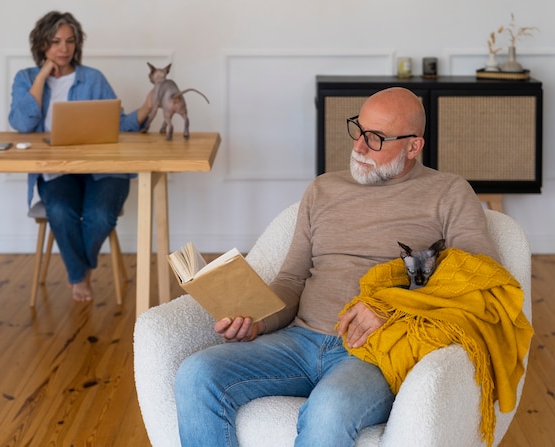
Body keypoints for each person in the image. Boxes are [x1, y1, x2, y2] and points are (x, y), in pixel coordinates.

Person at [173, 87, 500, 447]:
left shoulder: (449, 193)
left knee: (329, 408)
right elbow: (292, 279)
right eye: (358, 129)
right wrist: (258, 320)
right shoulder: (323, 190)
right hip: (297, 341)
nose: (358, 146)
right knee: (196, 373)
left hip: (374, 354)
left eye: (375, 138)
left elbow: (480, 276)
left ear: (412, 147)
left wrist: (391, 307)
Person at [8, 11, 152, 302]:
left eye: (70, 41)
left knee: (100, 215)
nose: (64, 48)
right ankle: (80, 274)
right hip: (57, 170)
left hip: (103, 169)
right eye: (56, 41)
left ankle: (79, 270)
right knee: (61, 211)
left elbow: (119, 124)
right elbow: (23, 123)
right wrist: (43, 75)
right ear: (42, 44)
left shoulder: (92, 79)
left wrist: (148, 107)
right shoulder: (25, 79)